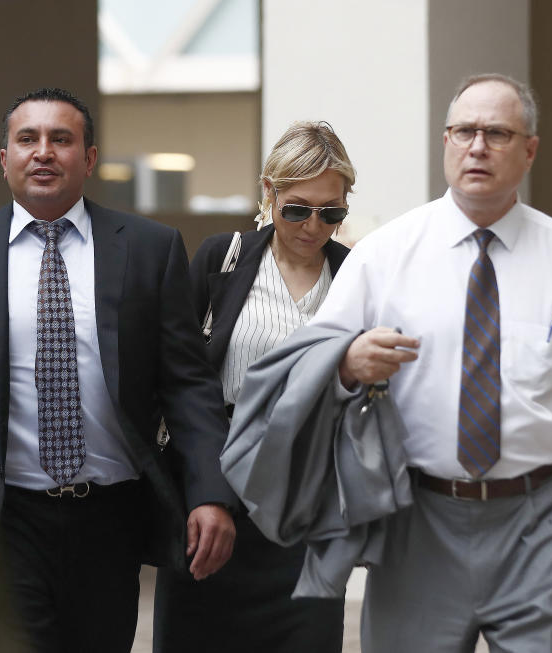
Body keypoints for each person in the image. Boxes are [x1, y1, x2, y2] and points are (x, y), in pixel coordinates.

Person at [0, 87, 237, 652]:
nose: (43, 152)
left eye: (61, 139)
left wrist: (209, 491)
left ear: (88, 159)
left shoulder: (148, 248)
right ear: (5, 159)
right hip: (1, 519)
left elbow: (188, 385)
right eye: (27, 139)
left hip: (111, 519)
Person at [307, 74, 552, 652]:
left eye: (497, 133)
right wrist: (346, 364)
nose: (477, 147)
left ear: (530, 150)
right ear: (445, 142)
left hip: (540, 522)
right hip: (417, 520)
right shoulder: (384, 256)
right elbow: (310, 379)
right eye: (464, 131)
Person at [153, 121, 354, 653]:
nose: (314, 226)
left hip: (305, 513)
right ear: (270, 192)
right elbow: (181, 377)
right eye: (297, 208)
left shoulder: (355, 277)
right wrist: (201, 489)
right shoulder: (224, 260)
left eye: (331, 212)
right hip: (218, 501)